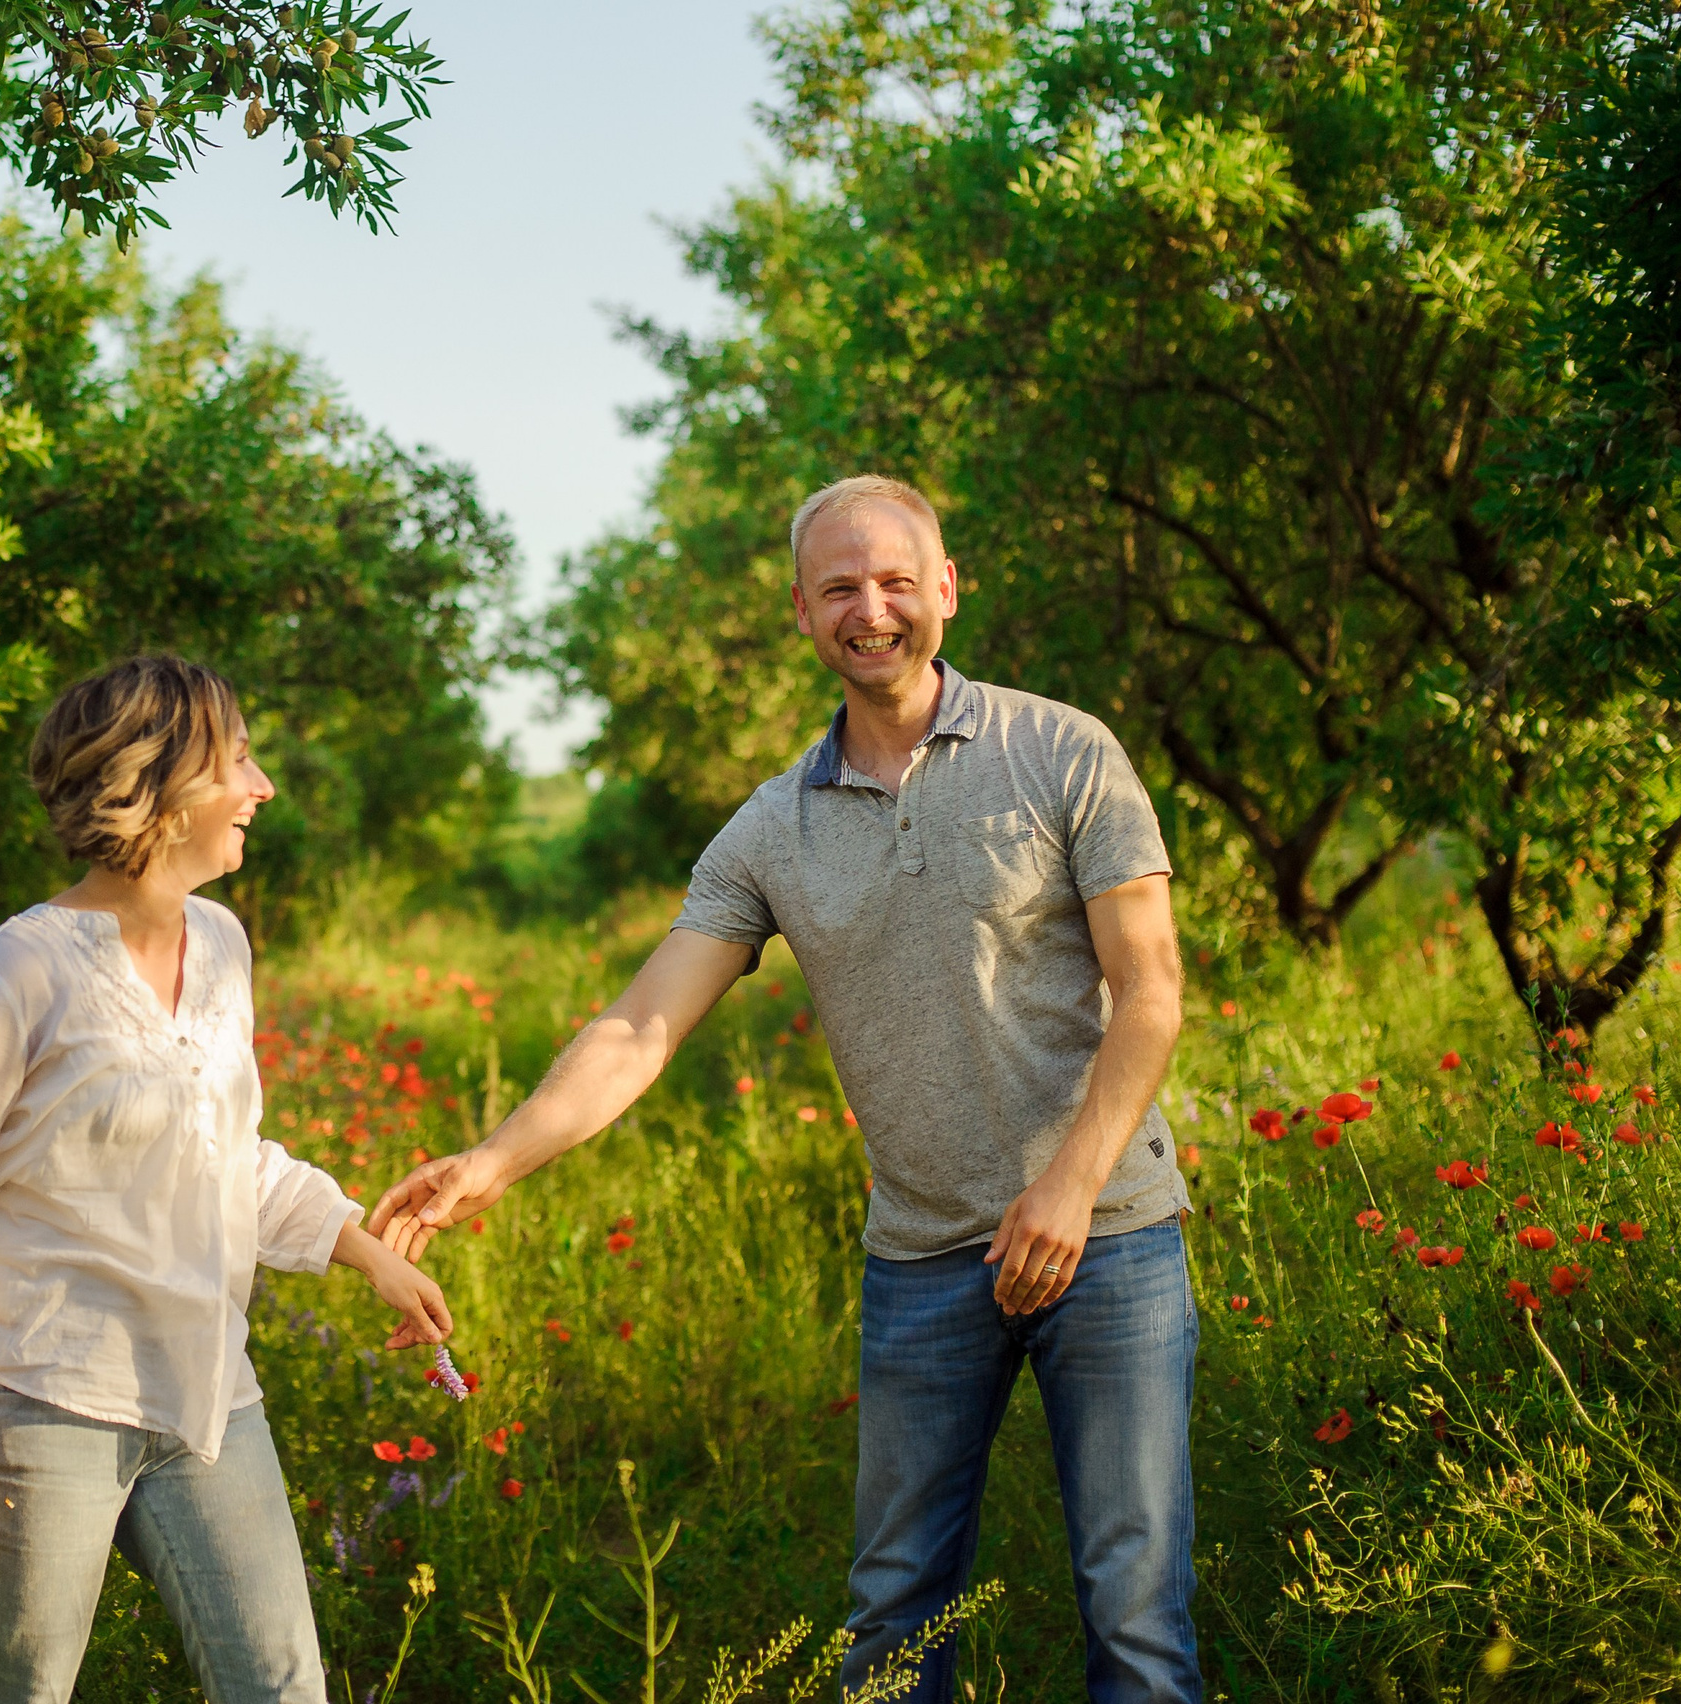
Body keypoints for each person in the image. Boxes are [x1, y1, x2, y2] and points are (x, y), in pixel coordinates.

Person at [369, 476, 1198, 1703]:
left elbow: (1152, 992)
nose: (873, 610)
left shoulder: (1063, 750)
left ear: (946, 589)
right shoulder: (770, 828)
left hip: (1108, 1235)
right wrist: (491, 1160)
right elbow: (641, 1025)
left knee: (1133, 1612)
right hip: (922, 1258)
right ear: (802, 612)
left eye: (897, 581)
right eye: (840, 588)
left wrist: (1069, 1187)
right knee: (894, 1610)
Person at [0, 654, 453, 1704]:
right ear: (160, 785)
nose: (262, 787)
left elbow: (225, 1153)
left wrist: (366, 1253)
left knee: (283, 1688)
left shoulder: (220, 943)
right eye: (239, 761)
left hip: (208, 1392)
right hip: (41, 1397)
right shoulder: (10, 977)